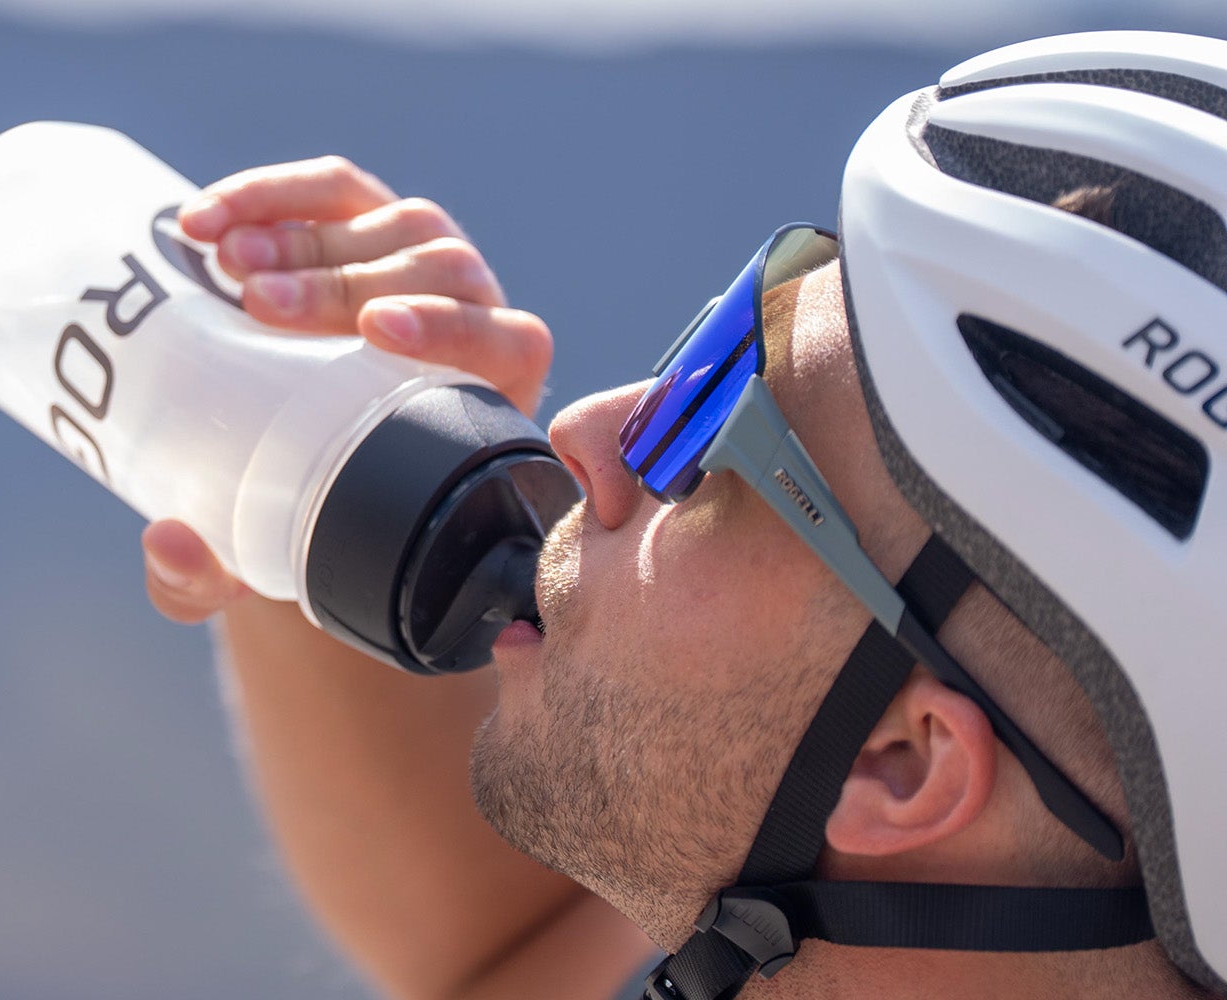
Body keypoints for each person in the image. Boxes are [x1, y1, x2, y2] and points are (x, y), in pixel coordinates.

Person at [134, 30, 1227, 1000]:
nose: (588, 430)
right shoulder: (809, 916)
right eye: (721, 340)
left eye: (712, 445)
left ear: (898, 761)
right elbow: (483, 951)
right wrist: (299, 461)